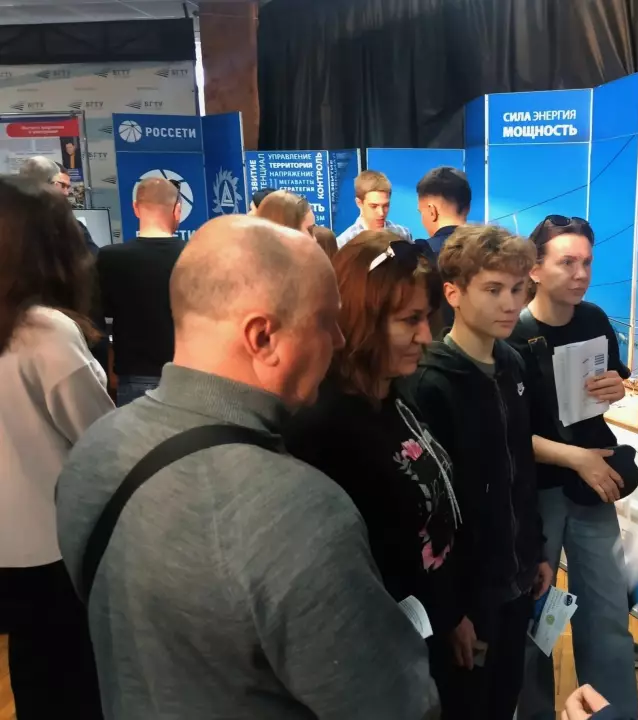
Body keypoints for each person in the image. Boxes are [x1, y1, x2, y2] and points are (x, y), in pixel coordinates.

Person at [56, 215, 440, 720]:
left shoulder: (94, 450)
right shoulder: (299, 510)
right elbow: (394, 704)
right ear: (262, 337)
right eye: (326, 321)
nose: (341, 341)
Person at [284, 230, 460, 689]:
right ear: (362, 319)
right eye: (410, 320)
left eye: (427, 317)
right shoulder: (324, 425)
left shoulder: (394, 391)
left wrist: (450, 612)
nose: (426, 336)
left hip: (428, 629)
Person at [407, 224, 551, 720]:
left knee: (505, 697)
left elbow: (521, 470)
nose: (510, 303)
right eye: (493, 289)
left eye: (517, 289)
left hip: (516, 578)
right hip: (468, 595)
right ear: (454, 293)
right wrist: (451, 611)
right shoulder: (430, 382)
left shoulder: (513, 363)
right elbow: (431, 511)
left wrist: (536, 548)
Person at [509, 215, 638, 720]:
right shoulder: (513, 335)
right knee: (534, 617)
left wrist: (615, 388)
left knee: (608, 614)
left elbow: (608, 385)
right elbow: (507, 434)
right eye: (567, 262)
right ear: (536, 268)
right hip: (536, 494)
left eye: (586, 262)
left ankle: (611, 713)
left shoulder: (595, 320)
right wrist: (576, 458)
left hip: (593, 488)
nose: (580, 273)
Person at [0, 175, 112, 719]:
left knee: (32, 670)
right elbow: (102, 438)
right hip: (57, 548)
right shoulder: (44, 332)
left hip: (12, 549)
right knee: (76, 679)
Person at [96, 177, 185, 406]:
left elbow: (99, 316)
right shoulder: (195, 254)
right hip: (187, 374)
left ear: (135, 208)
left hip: (133, 375)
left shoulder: (109, 258)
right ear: (177, 210)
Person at [337, 170, 413, 248]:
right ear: (359, 203)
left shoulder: (403, 234)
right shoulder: (344, 243)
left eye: (386, 205)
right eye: (374, 206)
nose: (381, 213)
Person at [417, 166, 471, 255]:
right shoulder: (491, 250)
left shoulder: (419, 255)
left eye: (421, 212)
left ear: (432, 212)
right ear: (468, 208)